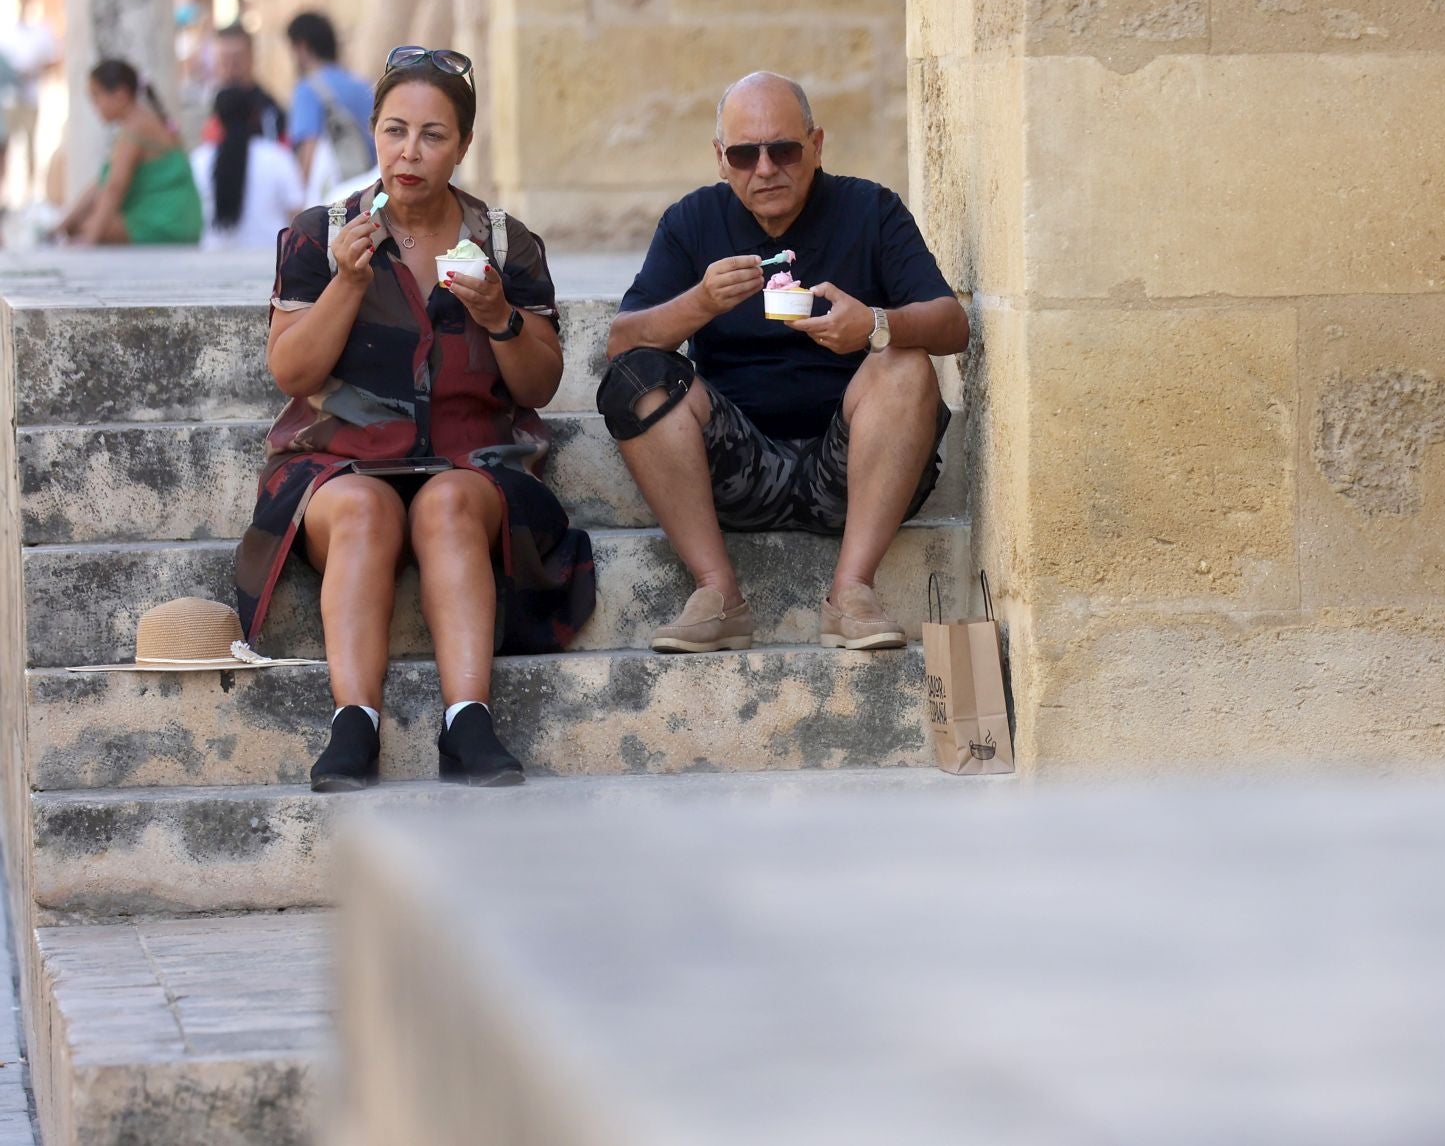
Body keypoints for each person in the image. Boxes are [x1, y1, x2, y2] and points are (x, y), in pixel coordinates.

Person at [234, 45, 595, 792]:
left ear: (462, 145)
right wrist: (345, 283)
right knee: (364, 511)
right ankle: (354, 724)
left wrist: (500, 316)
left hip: (474, 460)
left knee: (449, 503)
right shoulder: (319, 233)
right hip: (340, 460)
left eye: (433, 136)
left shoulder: (505, 244)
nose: (411, 152)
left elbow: (543, 381)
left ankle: (467, 721)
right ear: (373, 132)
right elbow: (291, 372)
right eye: (396, 131)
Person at [599, 71, 967, 653]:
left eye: (784, 150)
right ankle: (717, 593)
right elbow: (621, 344)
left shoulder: (870, 209)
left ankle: (852, 593)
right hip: (736, 466)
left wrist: (875, 324)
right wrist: (698, 302)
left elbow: (952, 323)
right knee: (639, 379)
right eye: (745, 154)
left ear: (817, 146)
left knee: (905, 363)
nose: (765, 169)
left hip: (854, 467)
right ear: (721, 159)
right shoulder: (693, 221)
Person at [53, 60, 202, 246]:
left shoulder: (136, 126)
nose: (95, 106)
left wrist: (91, 238)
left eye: (97, 97)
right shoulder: (142, 120)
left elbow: (114, 187)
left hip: (169, 221)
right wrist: (64, 225)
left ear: (121, 96)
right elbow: (102, 182)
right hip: (182, 218)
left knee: (88, 225)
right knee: (81, 224)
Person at [190, 86, 305, 250]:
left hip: (211, 260)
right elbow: (297, 215)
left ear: (216, 120)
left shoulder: (198, 160)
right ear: (254, 116)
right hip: (270, 260)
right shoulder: (278, 158)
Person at [285, 11, 376, 202]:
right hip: (370, 189)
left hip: (333, 198)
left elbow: (308, 148)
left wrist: (302, 203)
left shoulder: (308, 89)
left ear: (301, 47)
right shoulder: (362, 85)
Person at [0, 0, 58, 202]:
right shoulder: (7, 31)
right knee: (5, 147)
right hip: (8, 99)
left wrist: (34, 71)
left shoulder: (41, 31)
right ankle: (4, 194)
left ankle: (29, 194)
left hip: (30, 97)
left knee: (30, 145)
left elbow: (53, 60)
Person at [201, 24, 287, 145]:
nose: (230, 68)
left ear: (251, 56)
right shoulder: (216, 105)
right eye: (224, 60)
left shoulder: (268, 111)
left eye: (236, 60)